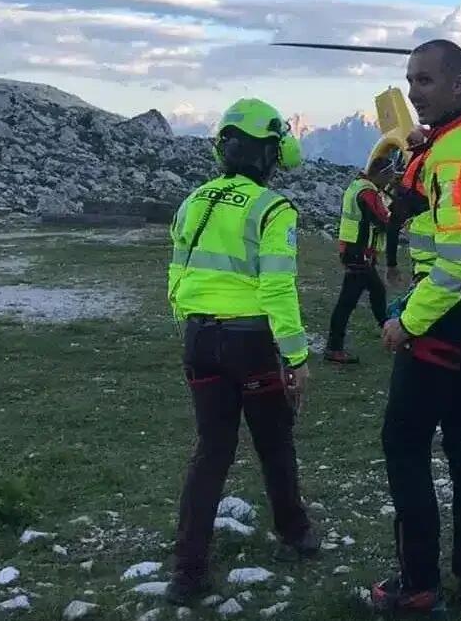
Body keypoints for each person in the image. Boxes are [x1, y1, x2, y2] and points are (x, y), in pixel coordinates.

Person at [371, 39, 461, 615]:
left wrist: (403, 323)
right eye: (410, 81)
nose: (414, 92)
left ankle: (418, 584)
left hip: (449, 315)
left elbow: (455, 264)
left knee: (405, 441)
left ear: (459, 83)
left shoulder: (453, 154)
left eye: (426, 81)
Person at [164, 97, 318, 605]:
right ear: (271, 153)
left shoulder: (194, 200)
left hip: (199, 340)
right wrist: (295, 357)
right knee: (274, 441)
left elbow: (176, 273)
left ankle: (188, 571)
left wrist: (189, 324)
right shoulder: (272, 209)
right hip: (249, 342)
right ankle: (294, 532)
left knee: (211, 451)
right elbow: (277, 289)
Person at [323, 155, 399, 363]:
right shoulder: (368, 192)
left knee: (377, 293)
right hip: (359, 254)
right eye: (389, 176)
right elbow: (384, 221)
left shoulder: (357, 185)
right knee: (348, 302)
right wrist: (397, 209)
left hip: (353, 250)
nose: (390, 181)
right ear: (382, 175)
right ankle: (334, 347)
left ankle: (388, 332)